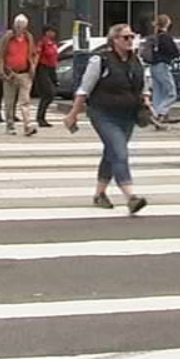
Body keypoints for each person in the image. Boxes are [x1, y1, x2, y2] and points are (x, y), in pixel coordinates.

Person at [64, 23, 150, 215]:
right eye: (125, 37)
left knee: (112, 153)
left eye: (131, 37)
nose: (130, 41)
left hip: (128, 115)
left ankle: (99, 194)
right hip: (103, 113)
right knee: (119, 152)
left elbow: (142, 86)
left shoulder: (137, 61)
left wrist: (146, 102)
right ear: (114, 40)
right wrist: (73, 114)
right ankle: (131, 197)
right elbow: (84, 89)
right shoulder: (100, 60)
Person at [0, 14, 39, 136]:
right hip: (10, 74)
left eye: (22, 26)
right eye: (18, 26)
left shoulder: (28, 37)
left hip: (25, 73)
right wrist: (1, 72)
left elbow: (34, 53)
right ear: (15, 25)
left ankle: (27, 125)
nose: (20, 29)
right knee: (9, 102)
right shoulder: (7, 38)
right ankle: (10, 125)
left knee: (25, 101)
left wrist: (33, 66)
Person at [145, 14, 180, 128]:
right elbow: (174, 51)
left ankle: (157, 119)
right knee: (172, 93)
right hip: (163, 65)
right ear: (167, 23)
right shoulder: (165, 37)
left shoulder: (155, 36)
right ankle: (158, 113)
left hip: (153, 66)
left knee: (158, 93)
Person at [35, 26, 60, 128]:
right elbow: (36, 56)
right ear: (46, 32)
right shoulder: (42, 43)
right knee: (48, 93)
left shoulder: (53, 44)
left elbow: (54, 57)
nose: (53, 34)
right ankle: (40, 117)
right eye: (51, 31)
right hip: (42, 68)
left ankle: (41, 117)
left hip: (51, 69)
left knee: (49, 94)